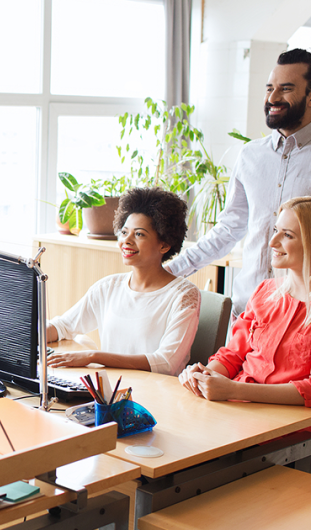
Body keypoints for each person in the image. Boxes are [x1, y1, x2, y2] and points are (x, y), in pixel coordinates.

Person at [167, 48, 311, 318]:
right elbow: (228, 229)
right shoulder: (251, 155)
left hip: (299, 319)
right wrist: (170, 271)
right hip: (246, 313)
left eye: (286, 89)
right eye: (270, 88)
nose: (272, 98)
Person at [46, 187, 200, 376]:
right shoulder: (108, 287)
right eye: (124, 232)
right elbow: (63, 326)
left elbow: (166, 362)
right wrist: (21, 332)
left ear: (164, 244)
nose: (126, 241)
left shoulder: (184, 295)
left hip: (155, 399)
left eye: (139, 234)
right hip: (109, 394)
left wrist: (94, 356)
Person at [179, 197, 311, 407]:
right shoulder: (265, 291)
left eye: (287, 235)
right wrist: (205, 375)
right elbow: (233, 354)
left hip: (283, 426)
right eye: (276, 230)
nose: (272, 242)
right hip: (236, 405)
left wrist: (233, 389)